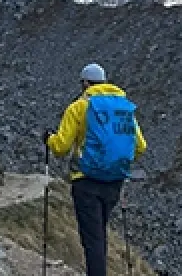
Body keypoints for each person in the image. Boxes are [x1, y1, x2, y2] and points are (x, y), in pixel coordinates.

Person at [43, 63, 148, 276]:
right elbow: (140, 146)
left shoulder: (79, 107)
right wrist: (118, 162)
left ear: (85, 83)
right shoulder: (123, 107)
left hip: (86, 180)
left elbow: (61, 147)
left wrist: (49, 139)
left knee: (92, 239)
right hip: (114, 180)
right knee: (99, 232)